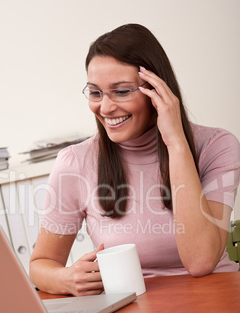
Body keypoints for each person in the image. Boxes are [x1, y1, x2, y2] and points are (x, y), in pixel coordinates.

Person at [29, 23, 240, 296]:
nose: (105, 108)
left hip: (212, 304)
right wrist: (67, 279)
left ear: (156, 89)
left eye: (122, 91)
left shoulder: (216, 146)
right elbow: (41, 264)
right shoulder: (75, 162)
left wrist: (175, 143)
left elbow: (201, 261)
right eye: (95, 92)